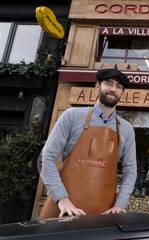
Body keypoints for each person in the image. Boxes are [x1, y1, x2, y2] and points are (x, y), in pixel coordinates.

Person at [39, 68, 137, 219]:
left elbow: (130, 171)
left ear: (122, 93)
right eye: (109, 83)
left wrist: (120, 204)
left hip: (103, 214)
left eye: (119, 87)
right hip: (64, 210)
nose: (113, 89)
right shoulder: (72, 116)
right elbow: (47, 157)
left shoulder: (127, 129)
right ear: (97, 86)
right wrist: (61, 198)